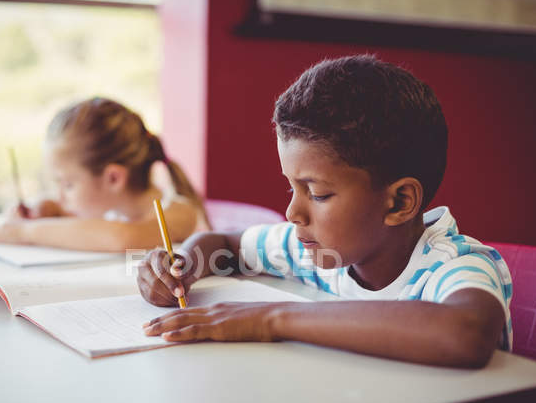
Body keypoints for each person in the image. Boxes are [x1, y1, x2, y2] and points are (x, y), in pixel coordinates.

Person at [136, 55, 513, 368]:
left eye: (316, 193)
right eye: (291, 187)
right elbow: (225, 245)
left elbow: (466, 333)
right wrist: (181, 267)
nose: (291, 212)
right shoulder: (318, 250)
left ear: (398, 202)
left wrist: (270, 318)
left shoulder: (455, 265)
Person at [0, 97, 210, 251]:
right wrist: (46, 210)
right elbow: (78, 217)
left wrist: (25, 232)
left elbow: (122, 239)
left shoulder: (180, 213)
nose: (61, 196)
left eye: (67, 185)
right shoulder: (115, 207)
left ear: (114, 178)